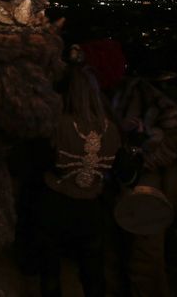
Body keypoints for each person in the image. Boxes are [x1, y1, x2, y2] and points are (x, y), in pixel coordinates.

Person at [80, 39, 177, 297]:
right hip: (110, 193)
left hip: (146, 196)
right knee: (110, 259)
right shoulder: (91, 98)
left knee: (144, 263)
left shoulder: (141, 93)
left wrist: (145, 156)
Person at [35, 43, 122, 297]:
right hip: (91, 209)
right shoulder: (113, 131)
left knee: (50, 272)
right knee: (92, 271)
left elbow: (44, 160)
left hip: (55, 204)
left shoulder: (59, 125)